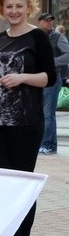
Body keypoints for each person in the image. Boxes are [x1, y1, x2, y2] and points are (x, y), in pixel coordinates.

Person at [0, 0, 55, 236]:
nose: (14, 11)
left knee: (22, 182)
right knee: (0, 183)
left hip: (25, 121)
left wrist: (23, 78)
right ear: (2, 8)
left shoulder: (38, 37)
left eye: (19, 6)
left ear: (28, 8)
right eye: (8, 6)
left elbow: (50, 78)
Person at [37, 12, 69, 154]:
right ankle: (50, 144)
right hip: (38, 78)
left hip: (52, 78)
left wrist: (52, 62)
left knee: (47, 114)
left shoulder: (58, 37)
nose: (49, 23)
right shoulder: (36, 35)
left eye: (51, 21)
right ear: (40, 22)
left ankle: (47, 144)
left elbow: (67, 54)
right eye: (46, 21)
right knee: (45, 113)